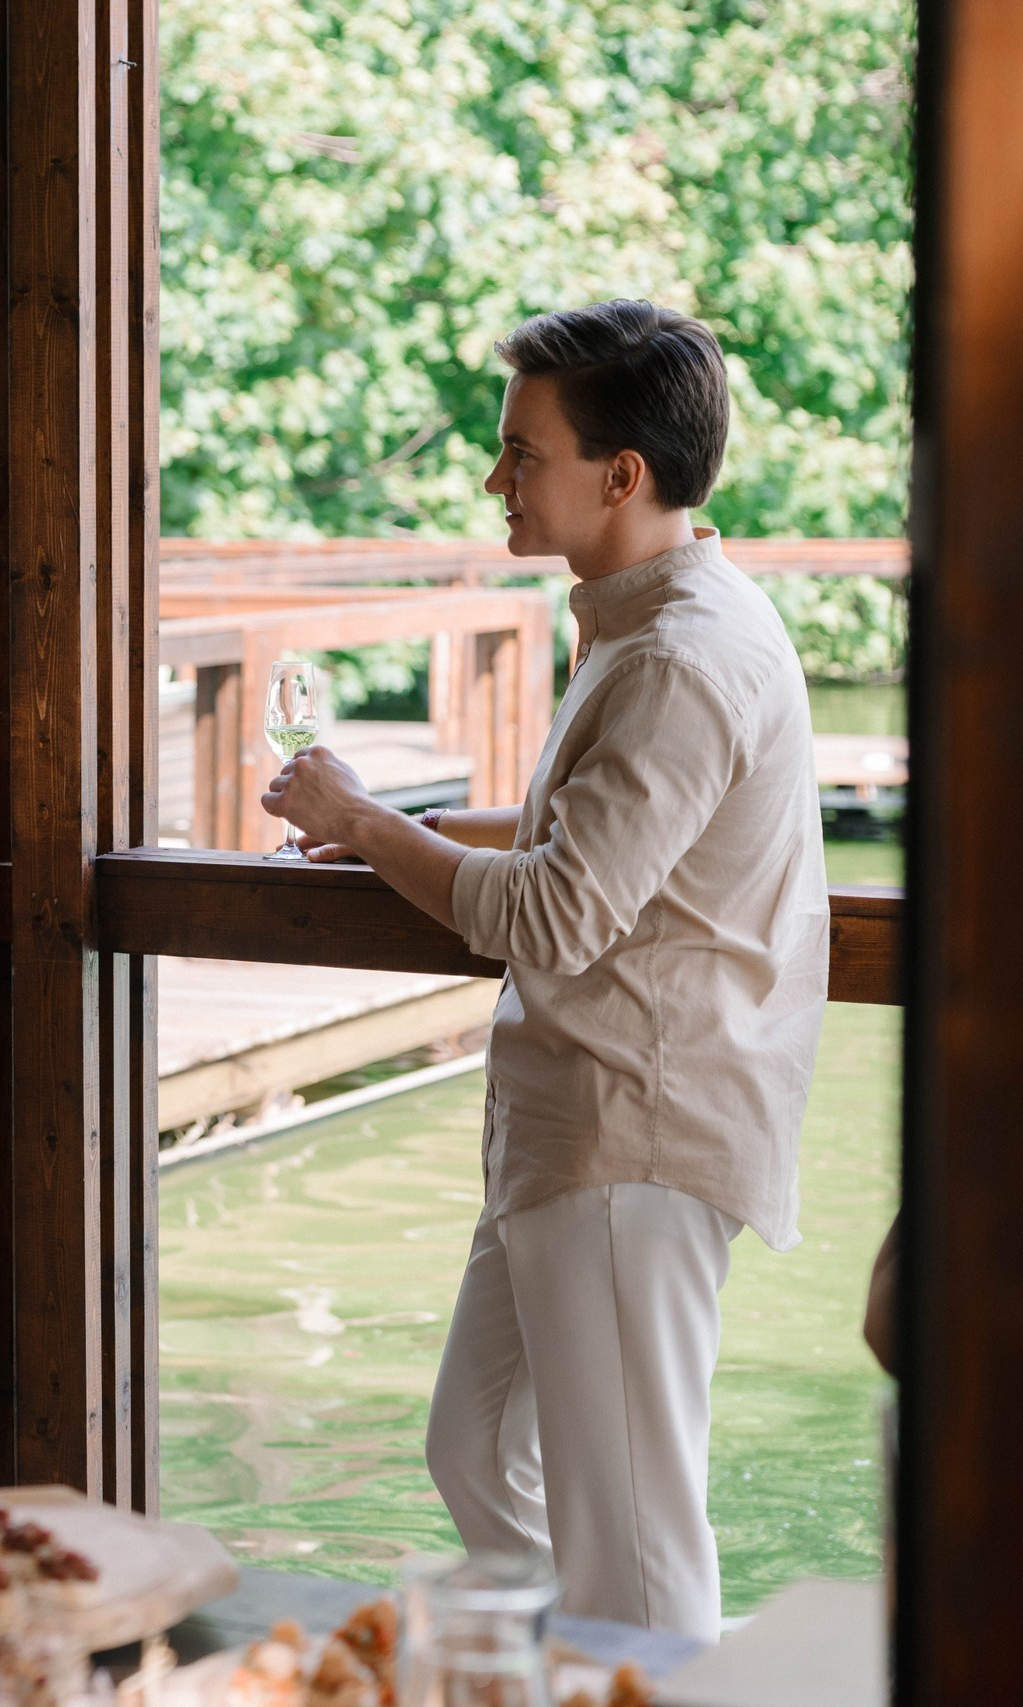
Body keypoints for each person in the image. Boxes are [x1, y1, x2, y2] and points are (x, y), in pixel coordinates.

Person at [259, 301, 827, 1637]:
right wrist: (394, 837)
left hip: (639, 1129)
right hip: (570, 1123)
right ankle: (565, 1668)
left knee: (636, 1538)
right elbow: (598, 841)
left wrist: (367, 823)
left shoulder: (685, 654)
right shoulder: (643, 620)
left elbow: (563, 909)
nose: (494, 478)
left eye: (522, 450)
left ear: (620, 474)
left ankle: (634, 1663)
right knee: (473, 1449)